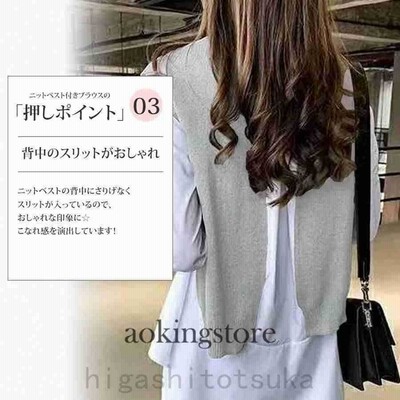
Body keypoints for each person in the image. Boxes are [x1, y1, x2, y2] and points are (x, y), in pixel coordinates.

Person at [141, 1, 381, 398]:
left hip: (210, 326)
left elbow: (182, 249)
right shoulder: (348, 83)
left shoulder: (169, 75)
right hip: (312, 327)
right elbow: (365, 226)